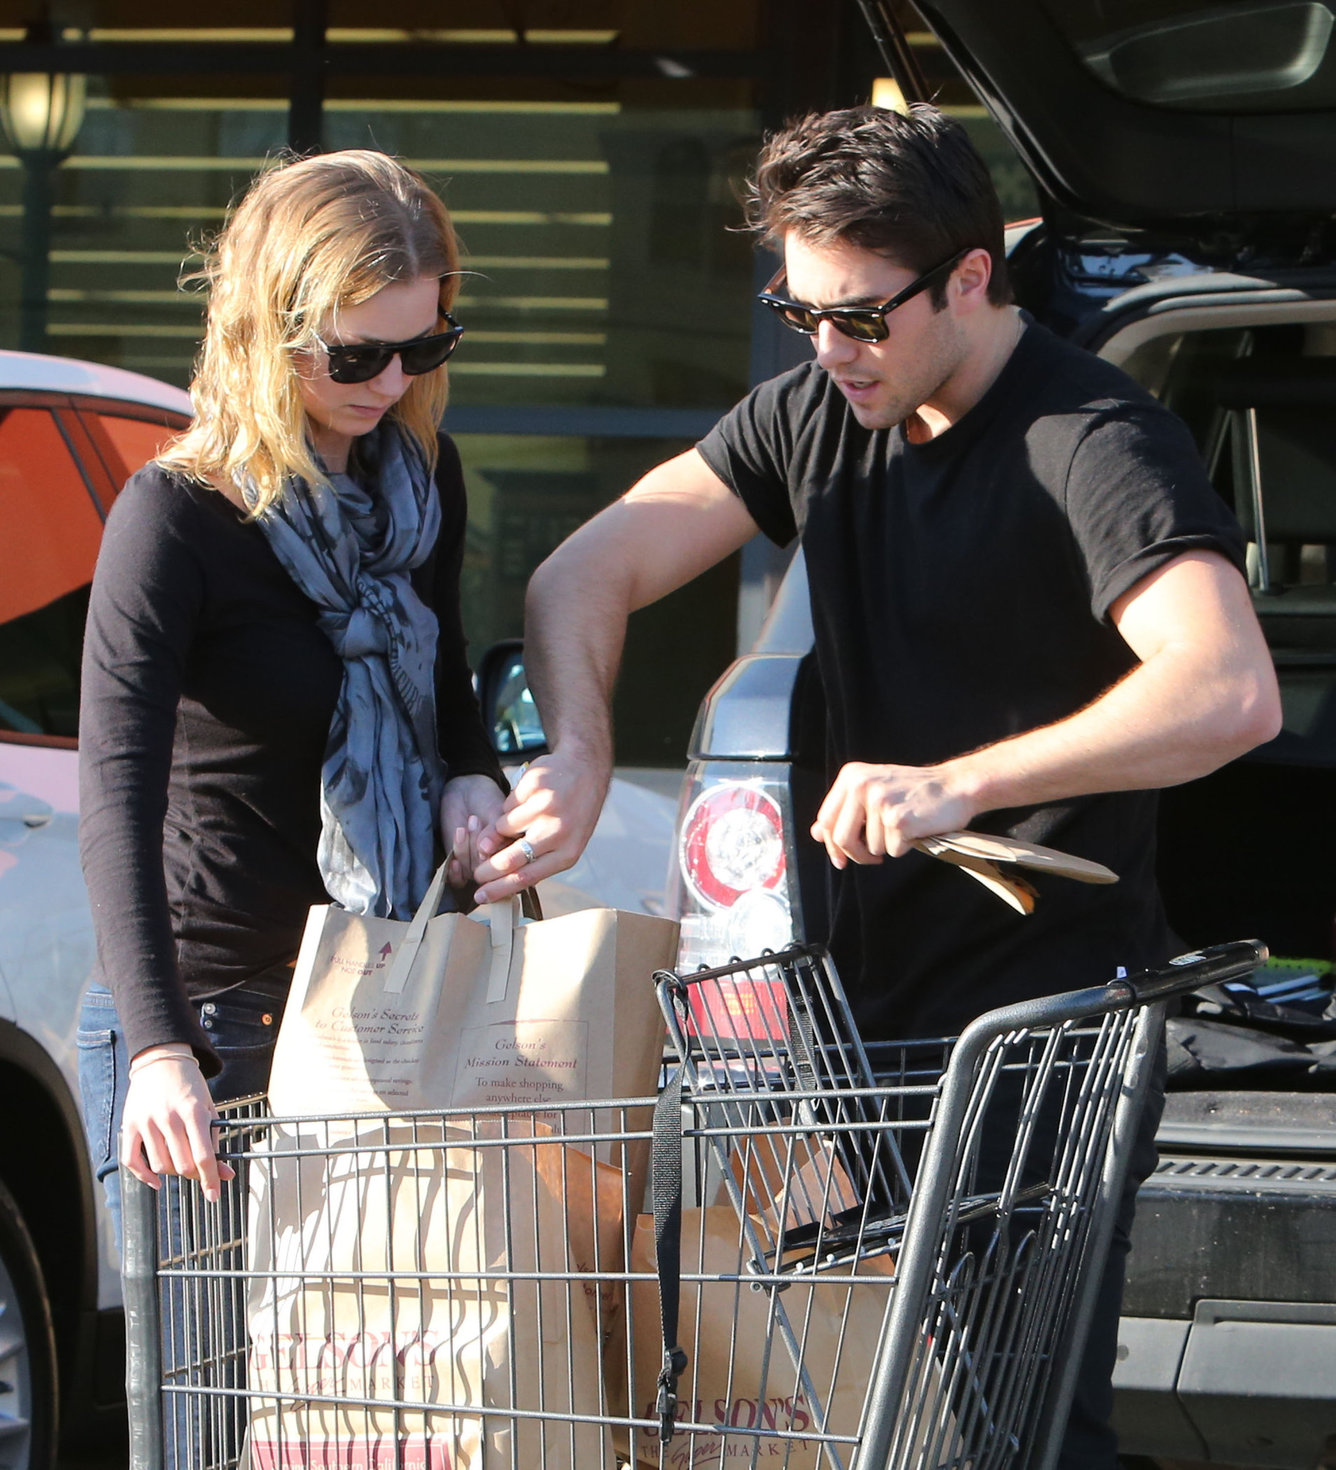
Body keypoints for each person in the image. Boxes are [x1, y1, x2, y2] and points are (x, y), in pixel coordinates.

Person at [470, 105, 1282, 1468]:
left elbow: (1226, 687)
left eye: (860, 317)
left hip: (1047, 1034)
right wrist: (584, 755)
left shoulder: (1092, 440)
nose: (831, 350)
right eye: (801, 315)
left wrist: (962, 782)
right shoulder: (816, 415)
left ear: (969, 276)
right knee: (896, 1421)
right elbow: (582, 572)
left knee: (1012, 1432)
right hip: (862, 1042)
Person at [77, 149, 506, 1235]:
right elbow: (115, 797)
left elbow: (445, 677)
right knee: (214, 1396)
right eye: (359, 353)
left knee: (367, 1389)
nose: (393, 382)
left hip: (387, 994)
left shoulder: (419, 480)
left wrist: (470, 778)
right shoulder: (178, 518)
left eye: (425, 344)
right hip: (215, 1017)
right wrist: (161, 1046)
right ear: (270, 329)